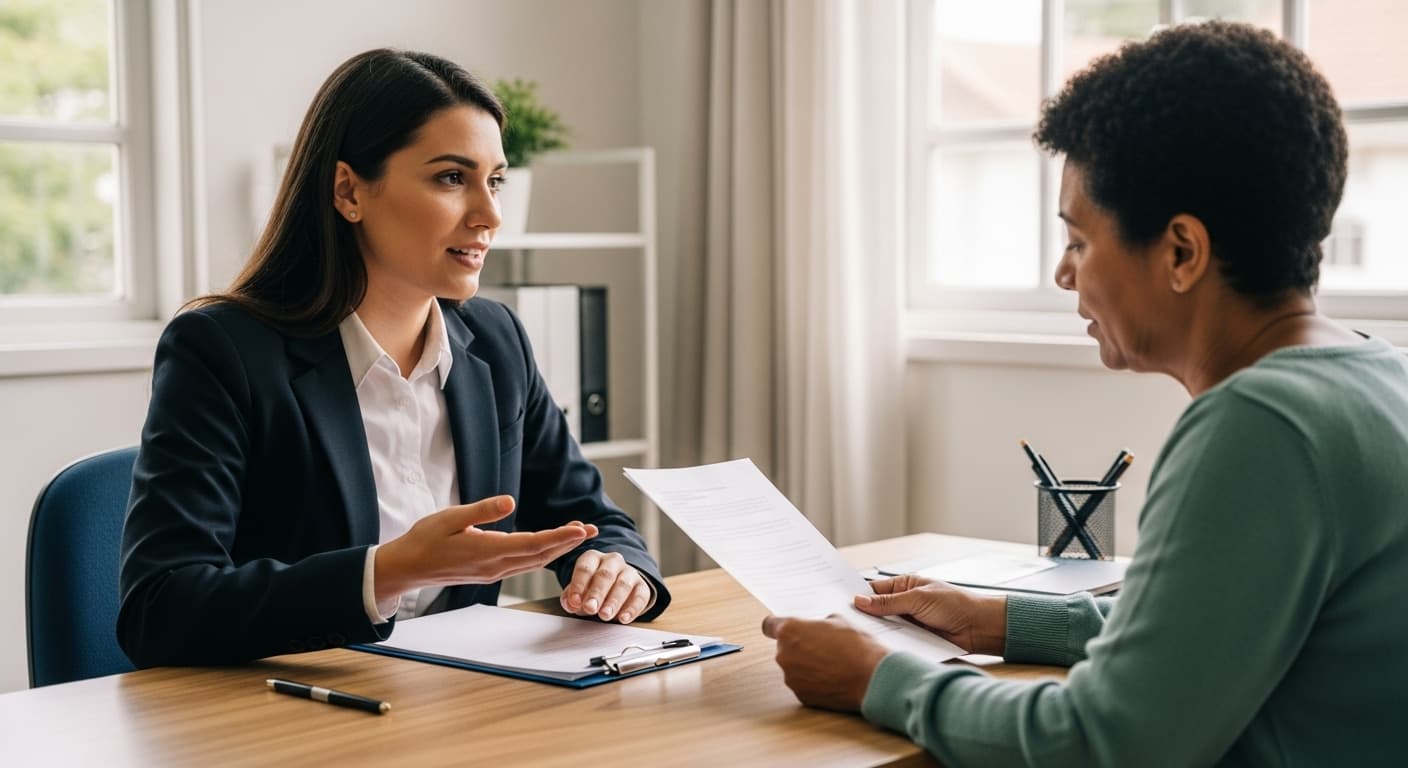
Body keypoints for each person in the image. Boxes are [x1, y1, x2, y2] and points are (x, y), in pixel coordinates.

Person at [762, 21, 1407, 765]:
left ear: (1181, 252)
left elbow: (1107, 741)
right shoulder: (1373, 376)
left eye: (1077, 240)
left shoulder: (1259, 426)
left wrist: (880, 676)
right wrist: (994, 620)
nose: (1065, 274)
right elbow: (1209, 636)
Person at [118, 49, 669, 667]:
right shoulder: (221, 350)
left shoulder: (495, 340)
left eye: (495, 181)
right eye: (451, 178)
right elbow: (160, 608)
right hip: (292, 721)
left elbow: (590, 516)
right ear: (349, 191)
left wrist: (619, 571)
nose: (489, 215)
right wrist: (383, 573)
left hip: (462, 711)